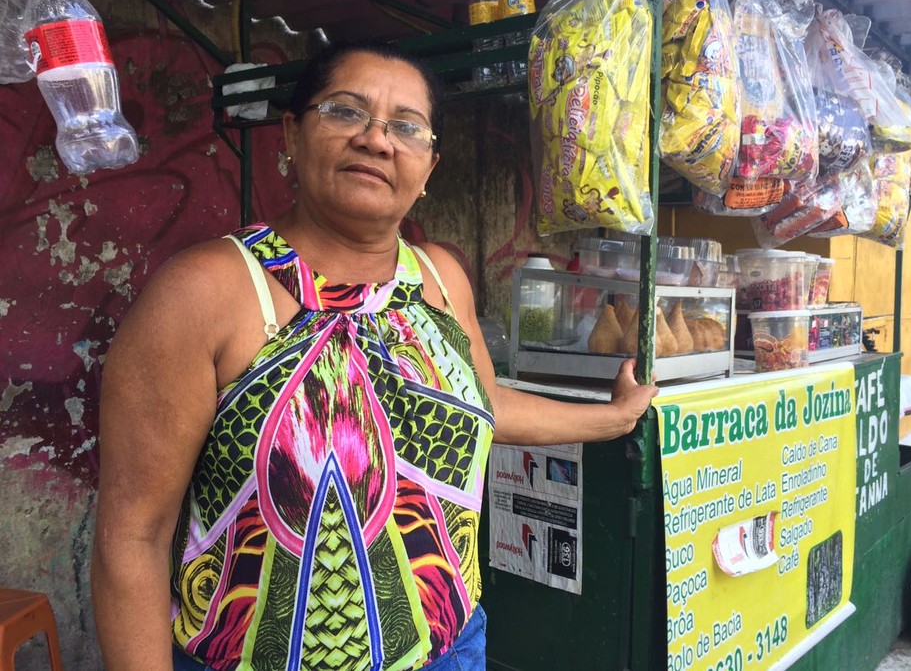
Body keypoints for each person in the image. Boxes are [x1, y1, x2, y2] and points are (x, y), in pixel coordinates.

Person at [90, 41, 659, 671]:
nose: (376, 140)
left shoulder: (441, 278)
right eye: (345, 112)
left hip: (449, 650)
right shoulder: (206, 290)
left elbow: (486, 403)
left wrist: (614, 419)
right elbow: (131, 538)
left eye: (406, 127)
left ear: (428, 169)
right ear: (290, 135)